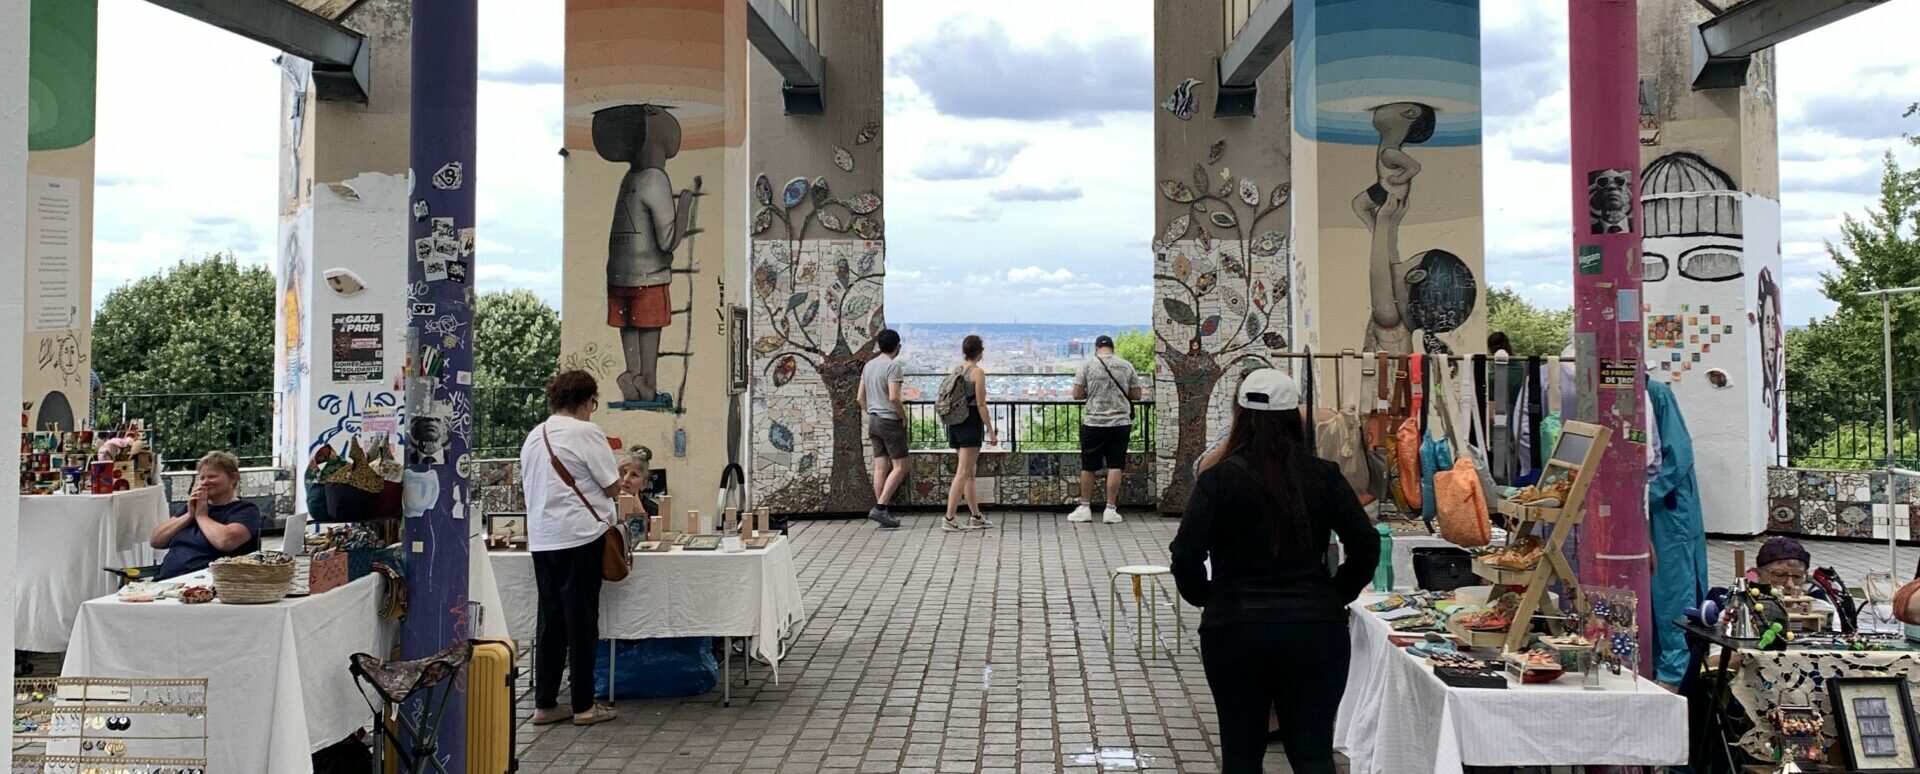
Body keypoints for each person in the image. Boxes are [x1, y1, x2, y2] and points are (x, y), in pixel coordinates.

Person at [1170, 369, 1377, 774]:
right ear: (1292, 418)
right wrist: (1335, 595)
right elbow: (1366, 544)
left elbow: (1186, 554)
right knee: (1314, 753)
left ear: (1240, 415)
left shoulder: (1218, 480)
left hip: (1234, 629)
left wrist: (1207, 598)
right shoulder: (1323, 476)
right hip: (1315, 628)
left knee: (1241, 755)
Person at [520, 371, 621, 727]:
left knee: (550, 622)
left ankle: (545, 704)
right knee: (581, 623)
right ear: (584, 401)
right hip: (579, 537)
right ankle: (583, 705)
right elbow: (611, 487)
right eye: (592, 404)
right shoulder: (586, 432)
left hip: (542, 538)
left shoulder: (535, 436)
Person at [1647, 378, 1708, 687]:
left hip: (1668, 509)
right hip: (1645, 505)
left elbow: (1679, 455)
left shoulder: (1657, 393)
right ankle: (1655, 666)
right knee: (1646, 592)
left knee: (1673, 590)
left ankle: (1674, 677)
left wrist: (1645, 494)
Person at [151, 451, 263, 580]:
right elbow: (156, 540)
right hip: (166, 581)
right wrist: (188, 515)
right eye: (202, 478)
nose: (205, 482)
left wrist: (202, 517)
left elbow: (225, 541)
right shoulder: (191, 509)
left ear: (233, 478)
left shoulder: (245, 510)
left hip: (208, 584)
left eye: (212, 476)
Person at [1068, 335, 1142, 525]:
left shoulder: (1087, 365)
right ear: (1113, 348)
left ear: (1096, 349)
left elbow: (1076, 394)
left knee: (1088, 466)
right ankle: (1110, 509)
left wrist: (1091, 393)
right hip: (1120, 423)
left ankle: (1085, 507)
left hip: (1094, 422)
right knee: (1115, 465)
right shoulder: (1126, 365)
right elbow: (1137, 394)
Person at [943, 335, 997, 532]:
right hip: (970, 423)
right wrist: (990, 431)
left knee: (969, 473)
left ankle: (976, 516)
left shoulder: (958, 370)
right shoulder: (977, 372)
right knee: (963, 472)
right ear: (980, 351)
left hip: (955, 424)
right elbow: (981, 405)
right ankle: (949, 518)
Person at [858, 329, 908, 528]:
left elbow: (859, 397)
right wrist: (903, 417)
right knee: (901, 466)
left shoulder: (869, 366)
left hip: (874, 420)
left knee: (880, 467)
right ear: (897, 346)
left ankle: (882, 510)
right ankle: (880, 508)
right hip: (889, 421)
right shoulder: (892, 366)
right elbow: (894, 397)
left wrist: (870, 411)